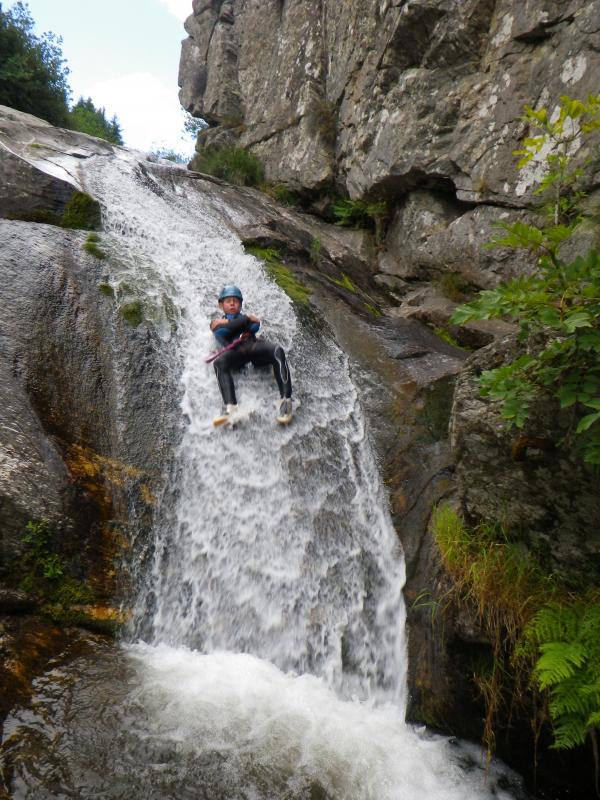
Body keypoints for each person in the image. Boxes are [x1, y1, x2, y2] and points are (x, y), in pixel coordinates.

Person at [210, 285, 293, 426]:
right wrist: (244, 321)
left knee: (277, 350)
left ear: (241, 304)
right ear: (221, 305)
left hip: (253, 348)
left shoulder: (223, 323)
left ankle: (286, 401)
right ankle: (230, 407)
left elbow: (256, 325)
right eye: (228, 301)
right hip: (236, 354)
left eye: (236, 301)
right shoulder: (219, 324)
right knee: (219, 363)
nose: (232, 303)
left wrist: (234, 323)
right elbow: (221, 332)